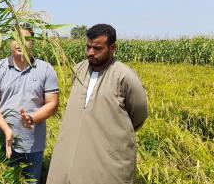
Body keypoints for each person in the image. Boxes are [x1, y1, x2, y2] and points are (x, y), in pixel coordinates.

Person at [46, 24, 148, 184]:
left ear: (113, 47)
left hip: (107, 160)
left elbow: (139, 116)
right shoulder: (79, 69)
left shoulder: (124, 76)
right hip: (69, 155)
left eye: (97, 48)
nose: (90, 52)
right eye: (88, 47)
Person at [0, 23, 59, 184]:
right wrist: (6, 130)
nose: (20, 43)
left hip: (33, 144)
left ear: (33, 42)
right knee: (2, 179)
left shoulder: (45, 69)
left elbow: (53, 103)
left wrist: (32, 118)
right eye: (16, 38)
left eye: (26, 39)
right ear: (10, 41)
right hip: (2, 141)